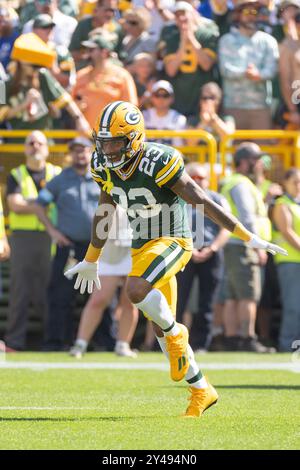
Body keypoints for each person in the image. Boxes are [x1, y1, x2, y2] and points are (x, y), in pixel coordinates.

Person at [64, 100, 286, 418]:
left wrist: (247, 235)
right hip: (141, 246)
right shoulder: (101, 164)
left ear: (135, 138)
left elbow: (202, 201)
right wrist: (92, 257)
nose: (109, 149)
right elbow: (106, 207)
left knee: (137, 291)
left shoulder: (158, 160)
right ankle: (201, 390)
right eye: (105, 141)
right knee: (160, 331)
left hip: (173, 240)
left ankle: (178, 332)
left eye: (115, 141)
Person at [31, 137, 100, 351]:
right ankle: (55, 342)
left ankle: (104, 343)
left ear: (92, 152)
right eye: (76, 150)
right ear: (71, 154)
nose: (81, 154)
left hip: (95, 248)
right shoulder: (60, 180)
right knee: (61, 294)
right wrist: (52, 231)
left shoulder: (102, 178)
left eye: (85, 150)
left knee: (100, 294)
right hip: (68, 247)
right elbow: (39, 204)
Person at [5, 131, 61, 351]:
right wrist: (40, 205)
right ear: (25, 148)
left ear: (47, 148)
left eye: (40, 142)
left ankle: (53, 342)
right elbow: (14, 205)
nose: (35, 146)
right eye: (31, 142)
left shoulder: (57, 173)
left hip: (51, 237)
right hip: (23, 238)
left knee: (49, 291)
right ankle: (14, 341)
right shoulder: (16, 174)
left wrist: (29, 203)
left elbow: (23, 203)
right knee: (20, 291)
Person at [221, 142, 274, 352]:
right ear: (245, 162)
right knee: (248, 294)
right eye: (256, 160)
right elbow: (247, 217)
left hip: (233, 244)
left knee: (233, 295)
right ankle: (247, 338)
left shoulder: (233, 182)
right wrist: (258, 246)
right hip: (243, 246)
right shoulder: (241, 184)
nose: (260, 164)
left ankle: (231, 338)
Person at [69, 206, 139, 358]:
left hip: (136, 246)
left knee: (131, 300)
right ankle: (80, 344)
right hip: (110, 247)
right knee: (98, 299)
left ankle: (123, 345)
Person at [176, 163, 230, 352]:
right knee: (178, 300)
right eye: (194, 177)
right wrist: (188, 249)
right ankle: (174, 342)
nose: (198, 181)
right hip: (183, 252)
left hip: (210, 251)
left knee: (207, 301)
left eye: (202, 178)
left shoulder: (216, 199)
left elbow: (227, 228)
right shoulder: (177, 198)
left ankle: (201, 344)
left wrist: (213, 248)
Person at [218, 0, 279, 130]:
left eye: (255, 12)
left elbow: (272, 69)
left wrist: (259, 75)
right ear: (238, 14)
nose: (252, 15)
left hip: (261, 108)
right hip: (233, 107)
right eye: (247, 11)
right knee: (233, 149)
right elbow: (224, 69)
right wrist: (245, 73)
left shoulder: (268, 41)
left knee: (263, 149)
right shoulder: (226, 40)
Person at [161, 1, 219, 119]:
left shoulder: (206, 35)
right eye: (177, 15)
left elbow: (206, 64)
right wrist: (182, 42)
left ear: (193, 14)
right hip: (179, 96)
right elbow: (171, 70)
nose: (181, 18)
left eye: (184, 13)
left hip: (201, 96)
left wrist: (191, 38)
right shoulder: (172, 38)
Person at [72, 35, 138, 128]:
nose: (87, 54)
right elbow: (70, 102)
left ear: (104, 52)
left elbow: (131, 107)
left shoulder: (122, 75)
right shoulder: (80, 75)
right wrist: (77, 107)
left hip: (112, 136)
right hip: (85, 136)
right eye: (86, 50)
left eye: (91, 50)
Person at [272, 168, 300, 351]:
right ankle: (286, 345)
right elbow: (287, 231)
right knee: (293, 306)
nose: (298, 186)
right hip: (289, 261)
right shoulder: (282, 203)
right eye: (295, 182)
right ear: (286, 183)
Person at [69, 0, 122, 69]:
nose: (110, 14)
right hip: (85, 68)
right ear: (96, 9)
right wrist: (91, 54)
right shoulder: (83, 25)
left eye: (114, 11)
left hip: (108, 69)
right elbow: (72, 53)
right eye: (108, 10)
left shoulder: (117, 29)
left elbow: (119, 56)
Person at [142, 80, 187, 146]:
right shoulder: (143, 116)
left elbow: (179, 147)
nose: (161, 99)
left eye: (165, 95)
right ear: (152, 97)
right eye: (157, 95)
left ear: (172, 98)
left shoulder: (179, 119)